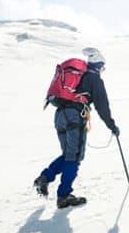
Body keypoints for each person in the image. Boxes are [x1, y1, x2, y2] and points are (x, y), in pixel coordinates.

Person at [34, 49, 119, 209]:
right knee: (74, 157)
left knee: (68, 155)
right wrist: (112, 126)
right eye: (103, 67)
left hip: (60, 115)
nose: (103, 71)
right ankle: (64, 196)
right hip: (75, 115)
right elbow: (102, 106)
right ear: (99, 65)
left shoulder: (78, 76)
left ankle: (45, 177)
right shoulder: (95, 79)